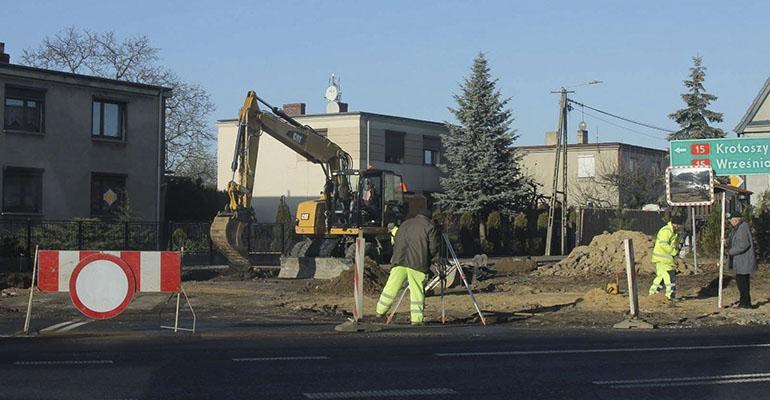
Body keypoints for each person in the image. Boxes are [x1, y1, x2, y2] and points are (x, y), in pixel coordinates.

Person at [376, 209, 439, 325]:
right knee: (416, 291)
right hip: (417, 263)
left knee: (391, 287)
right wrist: (430, 258)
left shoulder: (405, 223)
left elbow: (395, 239)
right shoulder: (430, 226)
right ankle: (416, 319)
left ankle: (380, 311)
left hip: (399, 260)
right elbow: (434, 248)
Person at [649, 214, 685, 302]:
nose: (679, 227)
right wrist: (674, 252)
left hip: (665, 260)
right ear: (674, 224)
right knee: (670, 277)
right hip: (662, 259)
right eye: (678, 225)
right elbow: (663, 244)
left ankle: (653, 294)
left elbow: (672, 244)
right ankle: (670, 295)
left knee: (661, 277)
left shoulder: (673, 232)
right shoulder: (666, 231)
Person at [726, 213, 757, 309]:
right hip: (740, 260)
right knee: (741, 282)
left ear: (736, 219)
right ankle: (744, 302)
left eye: (731, 220)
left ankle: (746, 303)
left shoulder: (742, 228)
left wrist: (730, 252)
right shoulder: (737, 228)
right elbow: (735, 240)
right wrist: (726, 241)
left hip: (743, 260)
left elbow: (743, 244)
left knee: (743, 283)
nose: (730, 222)